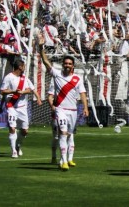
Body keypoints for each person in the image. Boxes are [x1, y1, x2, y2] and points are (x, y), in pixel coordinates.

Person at [39, 36, 89, 171]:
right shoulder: (57, 74)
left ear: (73, 66)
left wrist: (85, 107)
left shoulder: (78, 79)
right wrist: (40, 48)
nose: (67, 65)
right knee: (63, 132)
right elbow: (45, 62)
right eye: (65, 63)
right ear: (62, 64)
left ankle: (67, 159)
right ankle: (64, 160)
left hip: (73, 111)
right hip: (60, 109)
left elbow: (83, 94)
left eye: (69, 64)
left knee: (70, 134)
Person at [0, 59, 42, 158]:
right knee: (12, 127)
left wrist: (37, 98)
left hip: (23, 108)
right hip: (11, 106)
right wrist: (13, 91)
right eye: (24, 66)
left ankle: (18, 145)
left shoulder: (25, 78)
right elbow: (2, 91)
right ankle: (13, 150)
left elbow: (30, 89)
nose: (24, 68)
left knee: (25, 130)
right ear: (20, 67)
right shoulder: (8, 77)